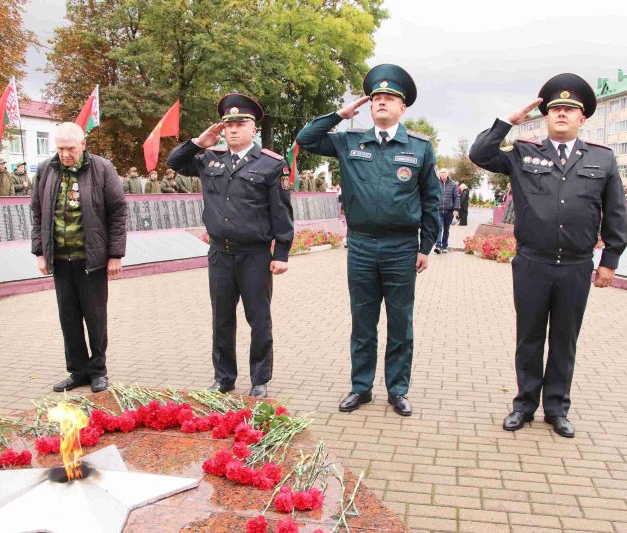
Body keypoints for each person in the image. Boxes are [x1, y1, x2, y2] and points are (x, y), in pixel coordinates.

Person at [469, 73, 627, 438]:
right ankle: (524, 405)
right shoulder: (525, 153)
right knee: (528, 337)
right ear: (544, 116)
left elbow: (615, 213)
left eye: (569, 110)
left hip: (575, 266)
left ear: (582, 118)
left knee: (564, 339)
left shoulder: (602, 160)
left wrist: (610, 261)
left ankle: (556, 409)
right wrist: (509, 121)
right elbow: (479, 154)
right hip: (532, 263)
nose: (561, 114)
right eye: (554, 108)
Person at [296, 64, 440, 416]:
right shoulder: (349, 141)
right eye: (376, 98)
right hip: (361, 245)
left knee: (400, 323)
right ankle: (361, 388)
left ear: (403, 108)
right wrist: (339, 115)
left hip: (401, 247)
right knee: (362, 322)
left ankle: (398, 389)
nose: (381, 103)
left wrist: (425, 247)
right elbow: (306, 139)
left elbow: (431, 200)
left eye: (389, 98)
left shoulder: (419, 147)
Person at [167, 93, 294, 399]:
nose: (233, 129)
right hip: (220, 253)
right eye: (228, 124)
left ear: (253, 129)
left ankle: (260, 379)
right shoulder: (211, 159)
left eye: (240, 124)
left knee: (258, 318)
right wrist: (199, 142)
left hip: (254, 254)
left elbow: (281, 210)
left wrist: (282, 253)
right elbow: (174, 162)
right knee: (222, 317)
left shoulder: (270, 164)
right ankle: (224, 378)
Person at [31, 122, 128, 394]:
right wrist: (40, 252)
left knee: (95, 316)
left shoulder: (102, 168)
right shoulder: (46, 170)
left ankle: (98, 371)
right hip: (61, 259)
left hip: (92, 259)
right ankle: (77, 371)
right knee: (69, 318)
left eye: (70, 148)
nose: (64, 154)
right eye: (60, 149)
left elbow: (118, 212)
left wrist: (115, 255)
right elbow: (37, 212)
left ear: (83, 145)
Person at [433, 168, 460, 253]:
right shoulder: (436, 183)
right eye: (441, 172)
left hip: (449, 211)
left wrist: (456, 209)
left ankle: (444, 245)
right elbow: (432, 195)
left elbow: (456, 197)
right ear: (439, 174)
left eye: (445, 172)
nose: (443, 173)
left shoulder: (453, 184)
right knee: (439, 228)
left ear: (447, 174)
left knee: (446, 229)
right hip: (438, 210)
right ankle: (438, 246)